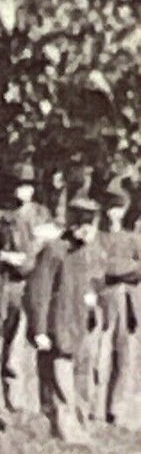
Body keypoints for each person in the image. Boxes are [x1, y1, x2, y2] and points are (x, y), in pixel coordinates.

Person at [26, 195, 104, 444]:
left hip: (80, 326)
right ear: (73, 225)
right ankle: (64, 429)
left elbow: (92, 283)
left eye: (92, 225)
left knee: (80, 379)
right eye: (84, 225)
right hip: (57, 327)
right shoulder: (54, 250)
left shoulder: (87, 253)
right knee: (58, 380)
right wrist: (39, 329)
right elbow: (39, 291)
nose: (89, 231)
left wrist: (92, 301)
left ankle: (80, 424)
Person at [0, 160, 46, 410]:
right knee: (2, 341)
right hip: (7, 286)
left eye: (28, 185)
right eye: (18, 185)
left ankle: (31, 399)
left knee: (32, 340)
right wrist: (3, 256)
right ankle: (1, 398)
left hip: (37, 286)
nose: (23, 190)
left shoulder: (41, 217)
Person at [93, 177, 141, 426]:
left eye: (119, 208)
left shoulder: (132, 239)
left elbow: (138, 269)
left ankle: (116, 408)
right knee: (99, 352)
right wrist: (121, 271)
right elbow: (96, 269)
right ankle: (94, 406)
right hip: (103, 300)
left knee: (124, 356)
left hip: (127, 302)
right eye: (111, 208)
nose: (115, 213)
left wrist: (118, 271)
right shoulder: (98, 238)